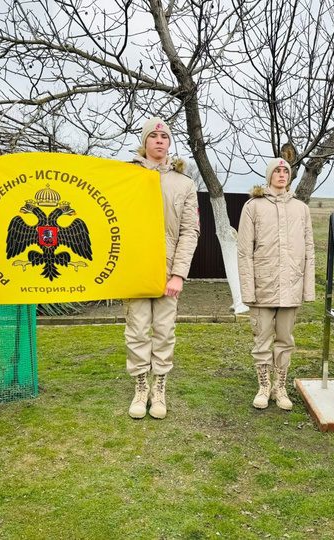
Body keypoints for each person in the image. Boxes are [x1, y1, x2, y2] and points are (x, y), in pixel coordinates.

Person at [125, 117, 199, 420]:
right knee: (137, 331)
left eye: (164, 136)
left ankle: (159, 388)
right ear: (144, 142)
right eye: (153, 136)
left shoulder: (184, 183)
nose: (159, 140)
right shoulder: (126, 177)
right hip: (134, 270)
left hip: (169, 270)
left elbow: (190, 231)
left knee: (164, 332)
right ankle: (141, 387)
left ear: (169, 143)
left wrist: (179, 274)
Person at [237, 157, 315, 410]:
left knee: (285, 339)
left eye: (286, 171)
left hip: (290, 286)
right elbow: (244, 251)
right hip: (263, 285)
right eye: (277, 171)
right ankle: (263, 385)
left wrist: (307, 288)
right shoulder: (253, 206)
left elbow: (309, 250)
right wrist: (247, 290)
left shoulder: (301, 209)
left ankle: (279, 387)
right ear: (269, 175)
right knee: (262, 339)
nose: (282, 175)